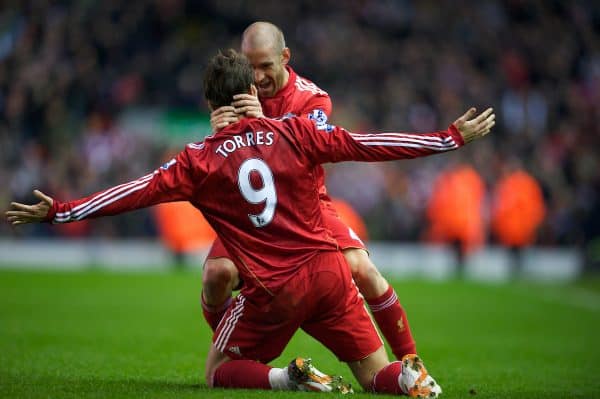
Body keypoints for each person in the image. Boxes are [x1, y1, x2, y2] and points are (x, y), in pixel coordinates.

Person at [7, 49, 495, 396]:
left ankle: (289, 378)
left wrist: (60, 211)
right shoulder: (299, 130)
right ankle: (410, 377)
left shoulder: (197, 162)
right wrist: (448, 137)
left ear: (208, 103)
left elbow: (131, 194)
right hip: (328, 274)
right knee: (374, 377)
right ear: (250, 92)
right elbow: (369, 144)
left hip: (275, 291)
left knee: (220, 370)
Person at [203, 21, 418, 362]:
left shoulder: (312, 98)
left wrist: (264, 122)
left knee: (362, 268)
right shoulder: (235, 89)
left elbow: (306, 146)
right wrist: (215, 131)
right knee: (218, 274)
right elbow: (220, 157)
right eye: (250, 66)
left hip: (306, 206)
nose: (256, 78)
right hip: (253, 211)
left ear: (285, 57)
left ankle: (410, 363)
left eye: (265, 66)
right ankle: (236, 349)